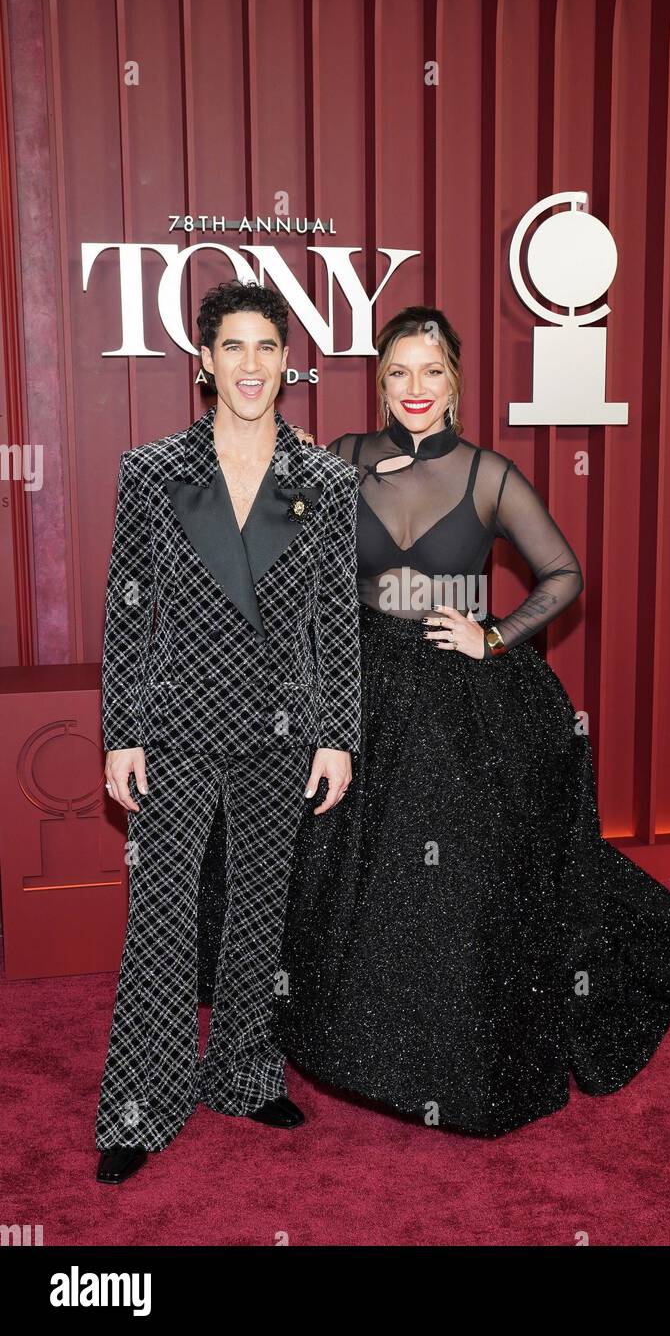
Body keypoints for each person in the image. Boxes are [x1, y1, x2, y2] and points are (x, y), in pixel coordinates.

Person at [268, 304, 670, 1137]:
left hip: (452, 698)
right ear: (381, 381)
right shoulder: (343, 460)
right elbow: (301, 565)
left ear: (455, 381)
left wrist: (494, 635)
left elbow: (563, 573)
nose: (415, 388)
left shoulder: (489, 474)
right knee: (349, 872)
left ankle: (457, 1060)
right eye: (398, 372)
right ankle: (345, 1037)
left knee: (457, 883)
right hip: (361, 685)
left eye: (431, 371)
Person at [95, 279, 361, 1182]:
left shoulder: (324, 479)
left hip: (280, 722)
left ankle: (245, 1076)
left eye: (267, 348)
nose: (251, 366)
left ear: (289, 362)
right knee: (161, 916)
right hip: (174, 722)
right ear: (204, 363)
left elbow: (335, 619)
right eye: (232, 349)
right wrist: (121, 731)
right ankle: (141, 1101)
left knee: (257, 912)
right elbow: (129, 610)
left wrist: (338, 735)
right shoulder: (151, 471)